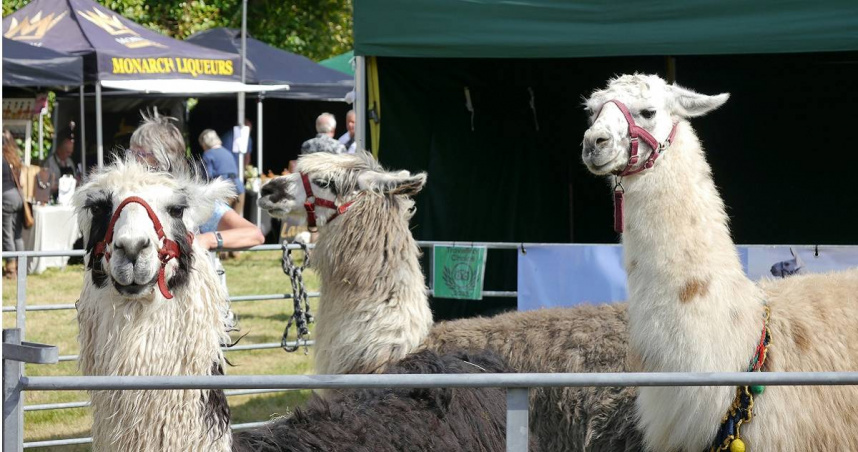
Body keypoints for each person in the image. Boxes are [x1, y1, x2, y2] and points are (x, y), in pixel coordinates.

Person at [128, 116, 264, 252]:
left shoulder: (192, 199)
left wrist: (206, 240)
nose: (131, 159)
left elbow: (254, 235)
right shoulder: (126, 197)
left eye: (139, 153)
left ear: (163, 158)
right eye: (130, 152)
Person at [199, 129, 246, 219]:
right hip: (239, 189)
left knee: (222, 221)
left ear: (204, 144)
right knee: (236, 222)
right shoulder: (227, 152)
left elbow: (207, 176)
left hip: (225, 190)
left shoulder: (208, 154)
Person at [2, 131, 26, 279]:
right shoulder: (15, 158)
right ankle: (20, 266)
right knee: (17, 234)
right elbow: (22, 182)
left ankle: (11, 269)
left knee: (6, 234)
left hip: (5, 198)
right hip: (18, 197)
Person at [45, 126, 80, 197]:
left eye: (71, 152)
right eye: (67, 152)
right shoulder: (50, 163)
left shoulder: (69, 161)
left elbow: (75, 177)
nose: (69, 155)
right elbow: (46, 185)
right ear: (59, 149)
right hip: (54, 196)